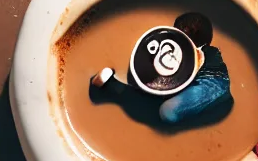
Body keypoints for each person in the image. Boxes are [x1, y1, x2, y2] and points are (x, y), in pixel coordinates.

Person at [90, 12, 232, 126]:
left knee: (168, 112)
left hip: (215, 88)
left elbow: (188, 74)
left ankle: (120, 93)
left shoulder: (205, 54)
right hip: (194, 83)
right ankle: (122, 92)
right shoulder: (172, 49)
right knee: (156, 89)